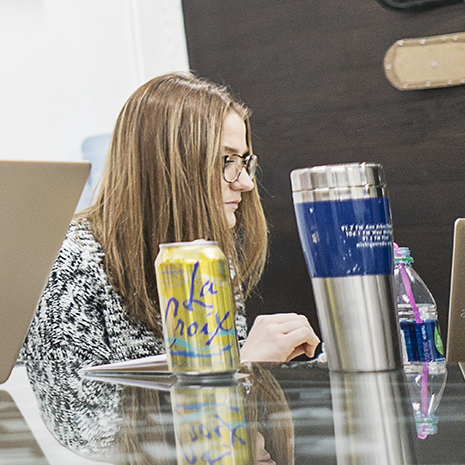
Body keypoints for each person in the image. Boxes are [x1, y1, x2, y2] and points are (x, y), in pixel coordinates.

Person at [21, 71, 320, 369]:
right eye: (225, 161)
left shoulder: (210, 257)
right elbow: (73, 413)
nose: (245, 183)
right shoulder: (68, 264)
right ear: (166, 167)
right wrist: (244, 364)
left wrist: (256, 366)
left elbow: (224, 408)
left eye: (244, 162)